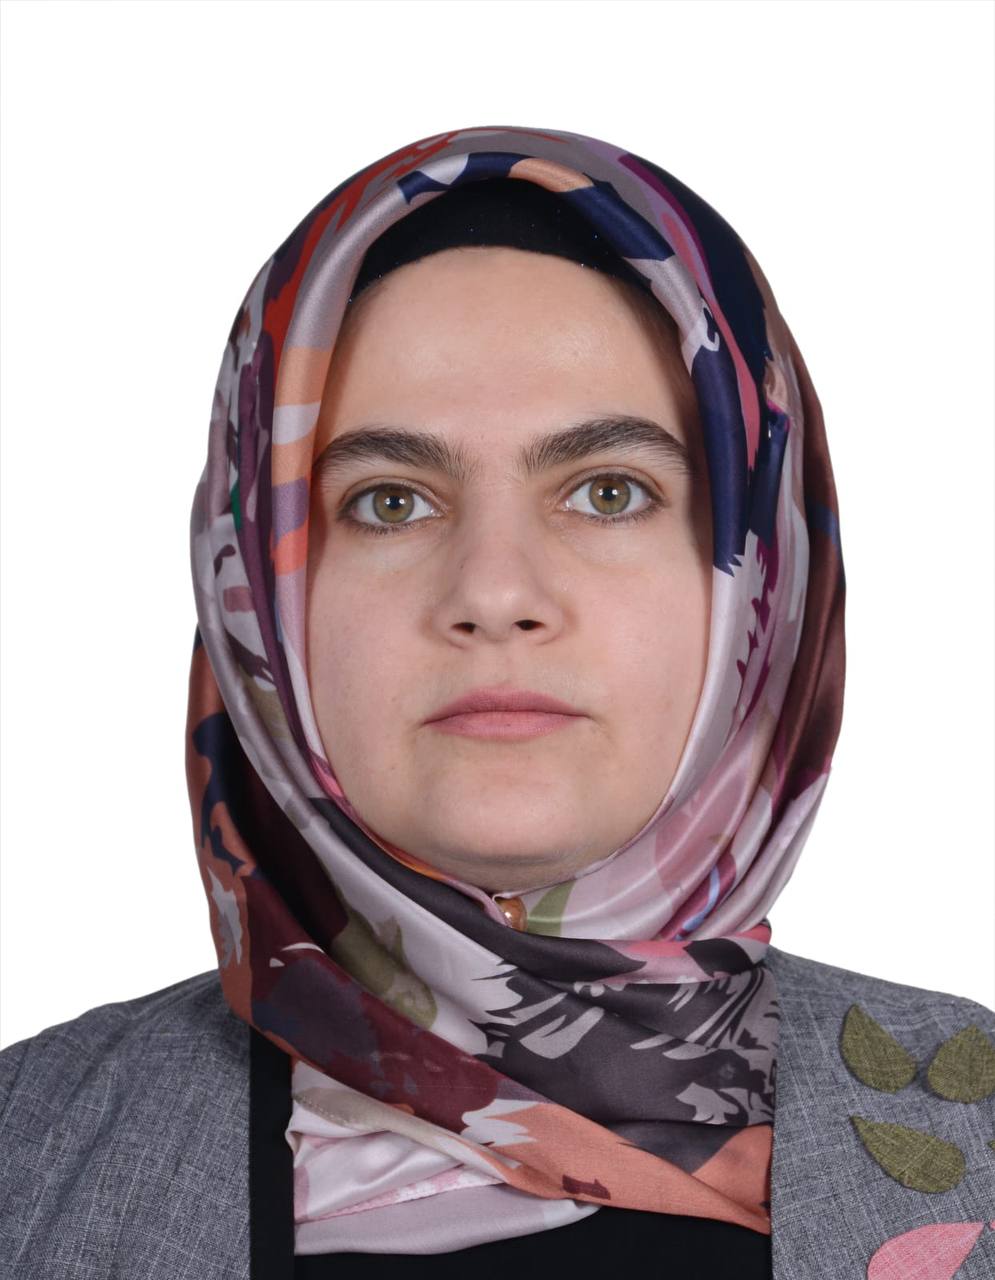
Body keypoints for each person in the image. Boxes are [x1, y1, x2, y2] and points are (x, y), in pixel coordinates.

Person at [1, 125, 992, 1280]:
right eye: (387, 501)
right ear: (257, 600)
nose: (493, 592)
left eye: (608, 490)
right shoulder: (27, 1155)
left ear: (762, 592)